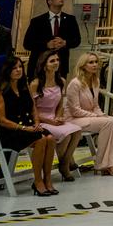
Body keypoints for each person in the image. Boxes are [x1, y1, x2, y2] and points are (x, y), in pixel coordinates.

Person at [0, 56, 57, 196]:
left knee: (50, 138)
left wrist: (37, 123)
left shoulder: (24, 86)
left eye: (20, 67)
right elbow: (2, 120)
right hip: (10, 131)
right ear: (7, 70)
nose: (18, 70)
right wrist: (23, 128)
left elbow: (33, 108)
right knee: (41, 139)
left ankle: (48, 179)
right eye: (14, 68)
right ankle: (37, 181)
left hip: (29, 127)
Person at [65, 53, 113, 176]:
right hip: (73, 119)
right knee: (107, 123)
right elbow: (75, 110)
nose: (95, 65)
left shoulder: (95, 80)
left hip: (89, 117)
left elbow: (95, 106)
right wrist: (97, 117)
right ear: (83, 65)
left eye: (96, 62)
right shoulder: (75, 83)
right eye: (91, 62)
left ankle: (112, 163)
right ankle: (101, 164)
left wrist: (101, 114)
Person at [30, 50, 82, 181]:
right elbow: (33, 109)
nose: (56, 63)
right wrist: (49, 121)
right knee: (66, 134)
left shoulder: (61, 81)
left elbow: (60, 104)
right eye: (52, 61)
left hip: (54, 117)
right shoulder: (35, 84)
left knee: (77, 131)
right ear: (44, 64)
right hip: (40, 119)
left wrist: (59, 117)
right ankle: (65, 164)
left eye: (57, 60)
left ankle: (64, 162)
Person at [21, 0, 82, 73]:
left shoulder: (70, 20)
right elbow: (27, 44)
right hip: (39, 65)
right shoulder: (37, 21)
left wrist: (65, 43)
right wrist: (46, 45)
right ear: (50, 1)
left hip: (60, 66)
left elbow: (77, 40)